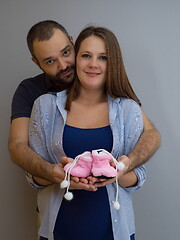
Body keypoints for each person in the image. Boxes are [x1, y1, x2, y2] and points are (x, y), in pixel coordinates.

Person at [8, 20, 160, 189]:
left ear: (73, 44)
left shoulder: (107, 87)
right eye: (50, 61)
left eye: (66, 52)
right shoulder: (33, 92)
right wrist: (50, 172)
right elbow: (17, 145)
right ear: (37, 63)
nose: (64, 65)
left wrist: (126, 165)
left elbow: (151, 132)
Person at [28, 26, 147, 240]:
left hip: (113, 231)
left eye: (103, 57)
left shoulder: (129, 110)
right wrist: (57, 173)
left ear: (113, 64)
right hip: (58, 229)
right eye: (86, 55)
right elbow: (34, 176)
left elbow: (140, 175)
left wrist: (115, 175)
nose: (93, 64)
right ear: (76, 57)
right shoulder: (45, 106)